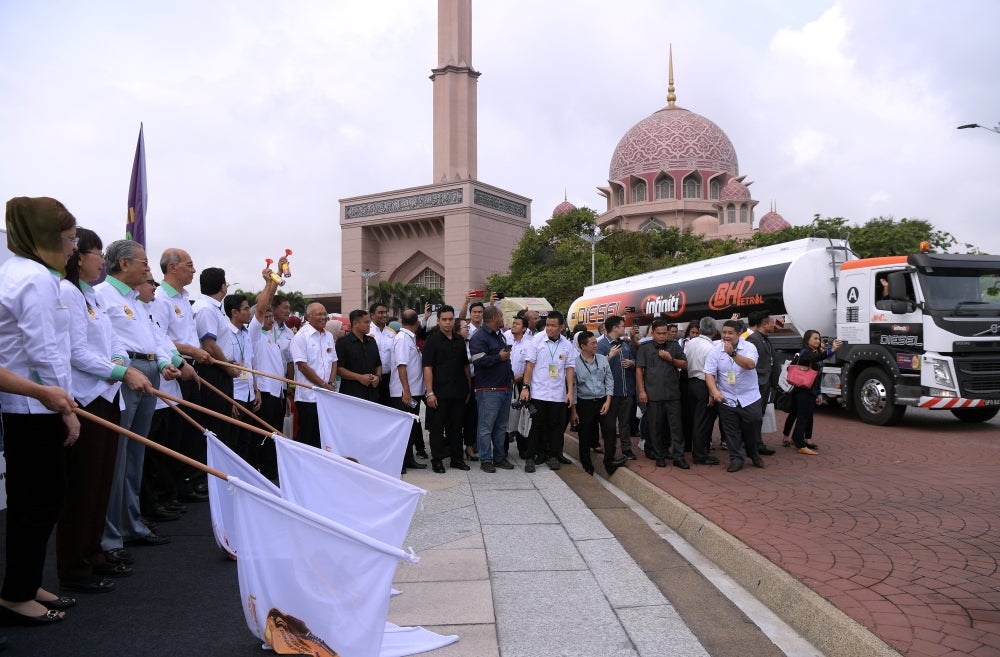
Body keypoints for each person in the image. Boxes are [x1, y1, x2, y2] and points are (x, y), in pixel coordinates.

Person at [57, 228, 154, 594]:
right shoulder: (70, 292)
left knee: (101, 480)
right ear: (78, 256)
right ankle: (75, 565)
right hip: (87, 396)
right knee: (84, 484)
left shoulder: (89, 296)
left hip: (109, 394)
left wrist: (119, 362)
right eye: (96, 253)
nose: (102, 260)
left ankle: (94, 552)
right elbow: (76, 352)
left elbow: (113, 341)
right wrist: (120, 371)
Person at [0, 196, 80, 624]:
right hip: (35, 408)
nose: (72, 247)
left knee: (39, 499)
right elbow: (44, 349)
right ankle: (15, 593)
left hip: (27, 405)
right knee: (40, 500)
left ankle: (26, 582)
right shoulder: (35, 278)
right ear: (47, 238)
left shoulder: (17, 272)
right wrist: (66, 405)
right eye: (68, 238)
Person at [95, 240, 182, 554]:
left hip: (148, 370)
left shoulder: (137, 300)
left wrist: (163, 363)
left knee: (135, 454)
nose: (148, 269)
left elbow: (153, 339)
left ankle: (131, 523)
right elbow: (111, 340)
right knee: (118, 457)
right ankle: (110, 534)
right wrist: (128, 369)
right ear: (122, 264)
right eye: (143, 263)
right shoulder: (103, 295)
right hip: (126, 373)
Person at [149, 248, 212, 505]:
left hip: (190, 367)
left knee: (189, 432)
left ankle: (185, 482)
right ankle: (173, 488)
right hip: (174, 369)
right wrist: (190, 351)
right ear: (172, 267)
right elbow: (159, 337)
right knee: (175, 432)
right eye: (189, 264)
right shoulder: (161, 298)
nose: (194, 270)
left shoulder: (185, 298)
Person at [704, 320, 764, 473]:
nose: (726, 336)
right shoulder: (716, 349)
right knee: (731, 430)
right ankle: (736, 459)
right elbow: (709, 373)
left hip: (749, 396)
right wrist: (714, 391)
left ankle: (752, 452)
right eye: (724, 332)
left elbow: (750, 365)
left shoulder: (749, 347)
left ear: (738, 334)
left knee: (753, 425)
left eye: (730, 333)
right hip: (727, 397)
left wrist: (733, 353)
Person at [519, 310, 576, 472]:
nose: (549, 329)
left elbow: (570, 369)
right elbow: (529, 366)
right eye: (548, 325)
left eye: (553, 326)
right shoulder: (537, 340)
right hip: (539, 392)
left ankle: (553, 456)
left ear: (562, 327)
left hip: (558, 394)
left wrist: (570, 392)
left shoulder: (567, 344)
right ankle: (530, 457)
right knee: (537, 426)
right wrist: (526, 387)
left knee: (556, 427)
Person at [249, 262, 290, 480]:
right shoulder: (253, 335)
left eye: (272, 316)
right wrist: (267, 284)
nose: (270, 319)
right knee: (264, 435)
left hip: (278, 391)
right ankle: (262, 471)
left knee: (274, 434)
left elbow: (269, 303)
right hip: (264, 392)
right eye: (266, 316)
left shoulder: (272, 336)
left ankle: (272, 468)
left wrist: (277, 276)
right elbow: (262, 306)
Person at [191, 267, 239, 444]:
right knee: (215, 427)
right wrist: (229, 369)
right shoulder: (206, 309)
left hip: (219, 369)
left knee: (222, 425)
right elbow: (209, 345)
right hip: (214, 371)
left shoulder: (211, 308)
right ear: (223, 287)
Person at [422, 305, 472, 473]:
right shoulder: (432, 341)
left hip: (459, 391)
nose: (448, 322)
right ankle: (437, 460)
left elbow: (465, 365)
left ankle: (457, 459)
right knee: (437, 428)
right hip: (439, 392)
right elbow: (427, 368)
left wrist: (468, 388)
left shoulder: (459, 340)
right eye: (444, 319)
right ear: (438, 321)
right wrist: (430, 392)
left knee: (457, 427)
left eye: (451, 319)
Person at [571, 331, 628, 476]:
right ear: (583, 346)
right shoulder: (574, 363)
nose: (596, 345)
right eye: (592, 343)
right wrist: (574, 411)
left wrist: (608, 401)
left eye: (596, 342)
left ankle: (609, 462)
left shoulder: (602, 359)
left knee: (609, 430)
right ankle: (587, 466)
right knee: (585, 435)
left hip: (603, 401)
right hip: (585, 403)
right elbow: (574, 388)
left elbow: (609, 381)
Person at [636, 319, 689, 468]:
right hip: (653, 395)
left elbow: (684, 365)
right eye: (659, 333)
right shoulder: (645, 348)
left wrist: (670, 359)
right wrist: (641, 391)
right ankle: (659, 455)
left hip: (672, 395)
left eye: (664, 333)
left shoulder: (674, 346)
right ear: (652, 332)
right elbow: (639, 370)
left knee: (676, 427)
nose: (662, 336)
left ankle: (678, 456)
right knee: (656, 427)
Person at [469, 305, 515, 472]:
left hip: (504, 387)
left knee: (501, 426)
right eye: (501, 315)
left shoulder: (500, 336)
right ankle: (486, 459)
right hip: (489, 389)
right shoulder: (479, 338)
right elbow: (478, 361)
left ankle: (499, 457)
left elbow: (505, 359)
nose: (503, 318)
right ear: (494, 317)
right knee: (486, 426)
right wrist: (499, 357)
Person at [289, 303, 338, 448]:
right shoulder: (301, 337)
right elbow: (303, 367)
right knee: (306, 435)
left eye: (325, 314)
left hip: (326, 395)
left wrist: (330, 383)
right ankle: (302, 467)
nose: (323, 317)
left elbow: (334, 361)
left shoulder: (328, 335)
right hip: (308, 397)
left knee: (321, 436)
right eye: (319, 314)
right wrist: (323, 385)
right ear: (309, 317)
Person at [790, 331, 842, 455]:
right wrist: (832, 350)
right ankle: (800, 445)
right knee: (802, 417)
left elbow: (817, 376)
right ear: (807, 340)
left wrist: (819, 392)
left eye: (818, 339)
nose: (818, 341)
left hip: (810, 389)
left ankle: (796, 439)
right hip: (803, 390)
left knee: (806, 416)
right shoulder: (806, 352)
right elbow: (816, 358)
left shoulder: (813, 352)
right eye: (815, 338)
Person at [390, 309, 428, 473]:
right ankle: (400, 462)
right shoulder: (403, 339)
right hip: (403, 394)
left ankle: (409, 458)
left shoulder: (409, 338)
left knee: (411, 427)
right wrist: (406, 391)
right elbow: (401, 366)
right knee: (403, 429)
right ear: (417, 323)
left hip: (412, 392)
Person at [225, 294, 260, 463]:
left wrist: (255, 388)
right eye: (246, 309)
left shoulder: (246, 333)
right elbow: (224, 368)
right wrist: (229, 398)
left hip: (248, 395)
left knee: (245, 442)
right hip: (235, 396)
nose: (249, 313)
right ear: (234, 312)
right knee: (232, 442)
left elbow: (249, 364)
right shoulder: (224, 333)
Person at [597, 316, 637, 459]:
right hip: (610, 393)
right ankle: (611, 450)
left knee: (625, 422)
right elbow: (596, 367)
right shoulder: (601, 345)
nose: (623, 328)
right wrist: (609, 356)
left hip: (626, 390)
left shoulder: (625, 344)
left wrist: (632, 363)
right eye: (622, 326)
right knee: (609, 424)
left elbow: (634, 360)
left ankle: (626, 449)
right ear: (614, 327)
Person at [683, 317, 721, 465]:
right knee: (703, 421)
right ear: (715, 331)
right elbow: (711, 372)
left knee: (696, 419)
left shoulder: (691, 342)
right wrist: (713, 392)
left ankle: (699, 450)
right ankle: (700, 455)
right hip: (704, 385)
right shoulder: (710, 348)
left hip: (691, 382)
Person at [744, 310, 777, 456]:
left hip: (765, 382)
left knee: (760, 414)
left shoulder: (765, 338)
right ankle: (753, 444)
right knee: (755, 415)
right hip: (757, 382)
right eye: (771, 322)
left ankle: (757, 442)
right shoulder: (753, 339)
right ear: (764, 324)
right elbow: (750, 362)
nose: (774, 324)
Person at [336, 309, 381, 403]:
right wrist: (359, 377)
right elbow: (339, 369)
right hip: (352, 394)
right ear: (355, 323)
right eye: (366, 322)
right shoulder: (343, 343)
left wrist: (377, 376)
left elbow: (378, 363)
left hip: (372, 393)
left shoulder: (371, 341)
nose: (369, 325)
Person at [367, 302, 395, 406]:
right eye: (380, 312)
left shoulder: (392, 333)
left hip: (389, 378)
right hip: (371, 378)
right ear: (372, 315)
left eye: (385, 312)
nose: (384, 315)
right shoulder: (366, 331)